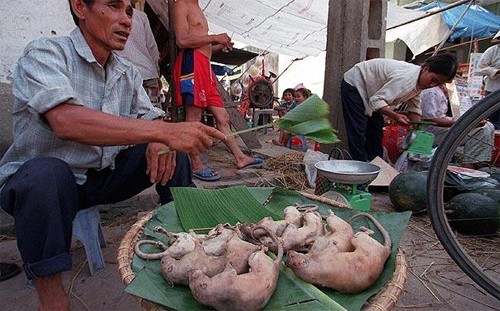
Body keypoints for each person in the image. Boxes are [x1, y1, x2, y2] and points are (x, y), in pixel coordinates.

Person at [0, 1, 225, 310]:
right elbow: (65, 121)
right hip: (51, 189)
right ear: (80, 6)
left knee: (174, 152)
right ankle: (52, 300)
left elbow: (150, 119)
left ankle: (187, 245)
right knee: (44, 175)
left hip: (102, 177)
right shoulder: (46, 53)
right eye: (113, 7)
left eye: (129, 12)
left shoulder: (126, 72)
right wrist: (158, 133)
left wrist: (159, 134)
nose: (126, 21)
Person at [172, 0, 264, 182]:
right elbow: (182, 40)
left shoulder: (197, 7)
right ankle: (196, 164)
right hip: (192, 63)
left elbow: (202, 46)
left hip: (205, 65)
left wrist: (218, 46)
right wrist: (214, 37)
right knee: (193, 118)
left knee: (223, 117)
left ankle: (240, 157)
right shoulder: (181, 4)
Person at [341, 53, 458, 162]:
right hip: (356, 83)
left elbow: (415, 108)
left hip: (373, 93)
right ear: (425, 69)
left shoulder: (419, 84)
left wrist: (418, 129)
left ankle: (377, 167)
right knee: (358, 131)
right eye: (433, 80)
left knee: (376, 130)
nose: (432, 86)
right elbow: (377, 100)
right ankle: (359, 169)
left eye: (437, 84)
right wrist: (395, 116)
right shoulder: (407, 79)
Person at [421, 85, 494, 168]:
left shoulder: (439, 90)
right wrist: (466, 123)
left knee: (489, 125)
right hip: (432, 132)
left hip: (441, 126)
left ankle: (480, 161)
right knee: (481, 129)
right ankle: (469, 163)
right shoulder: (431, 91)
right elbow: (431, 120)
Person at [116, 4, 161, 107]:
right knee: (153, 115)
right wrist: (156, 73)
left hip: (123, 74)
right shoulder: (141, 16)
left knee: (126, 117)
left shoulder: (108, 15)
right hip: (147, 74)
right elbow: (152, 48)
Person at [478, 30, 500, 130]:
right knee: (491, 115)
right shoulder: (492, 51)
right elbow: (482, 67)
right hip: (493, 88)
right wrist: (497, 71)